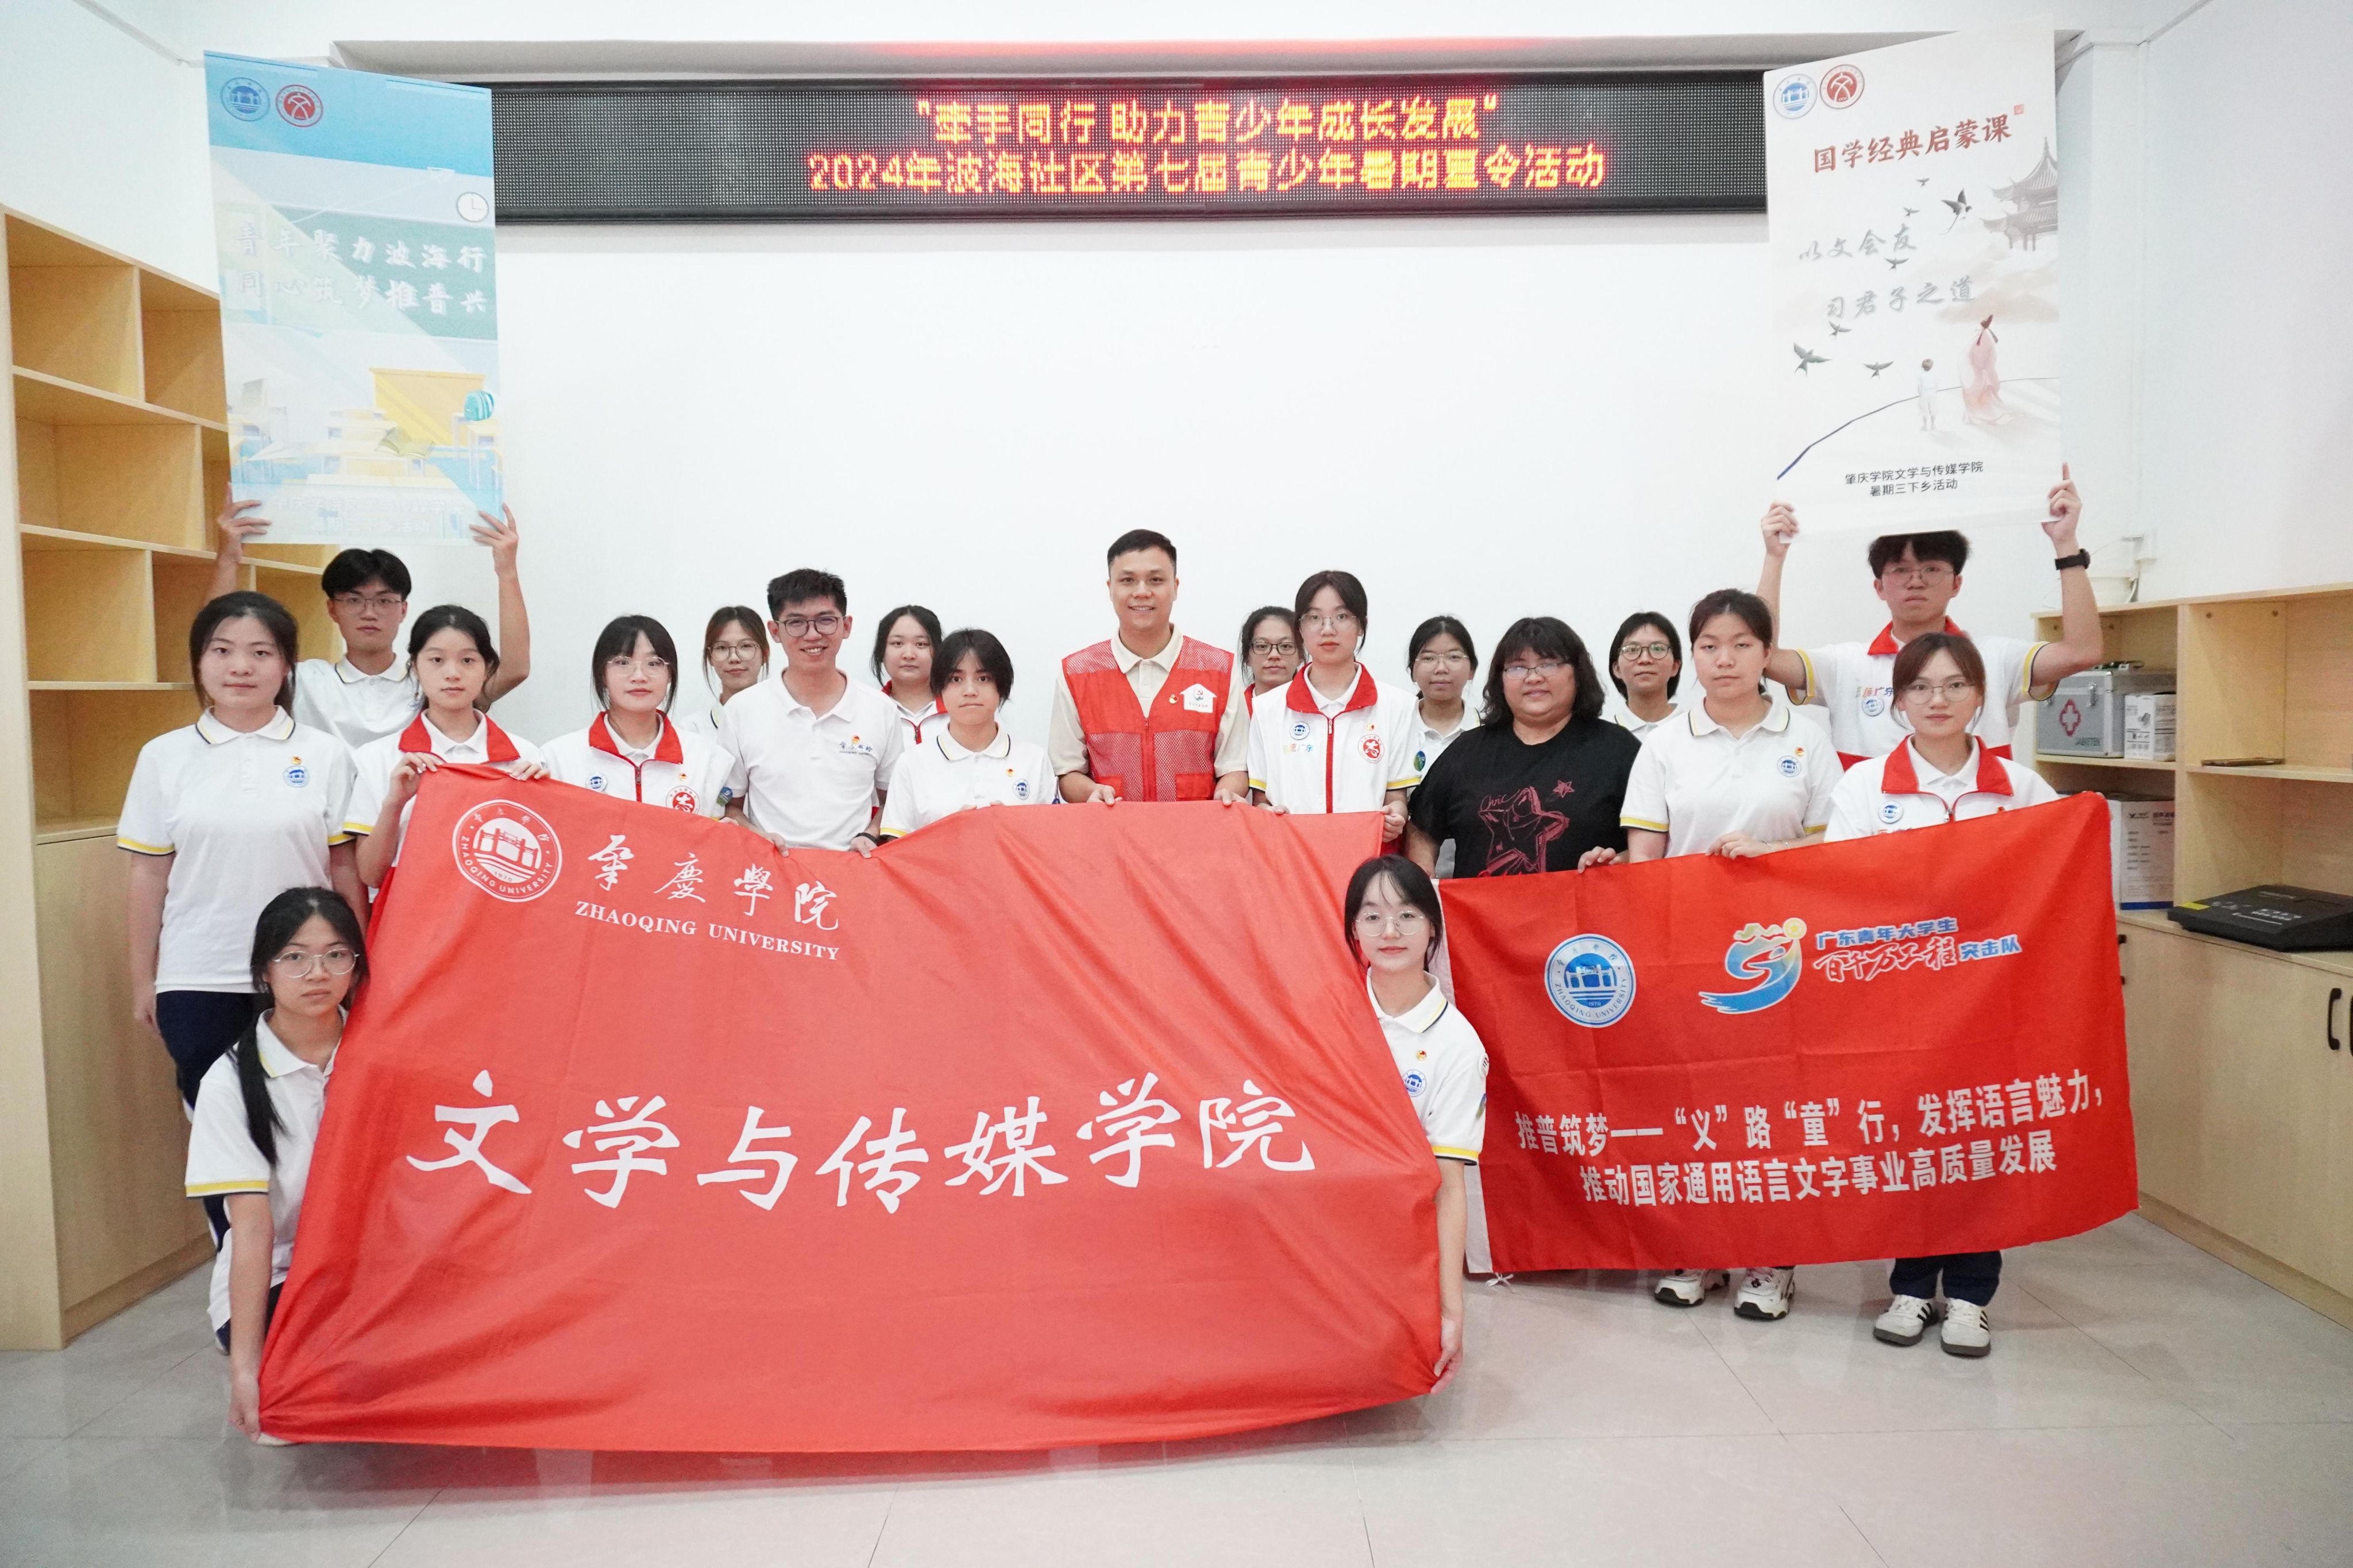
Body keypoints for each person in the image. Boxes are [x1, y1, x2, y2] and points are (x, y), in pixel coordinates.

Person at [1591, 589, 1841, 1323]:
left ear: (1766, 653)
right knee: (1694, 1105)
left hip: (1779, 960)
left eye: (1740, 644)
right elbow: (1645, 856)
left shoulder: (1806, 738)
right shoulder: (1665, 744)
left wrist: (1772, 854)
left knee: (1773, 1111)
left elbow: (1839, 851)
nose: (1724, 659)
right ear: (1690, 657)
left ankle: (1771, 1261)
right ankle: (1695, 1249)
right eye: (1709, 646)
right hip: (1689, 953)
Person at [1826, 632, 2061, 1356]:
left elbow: (2055, 877)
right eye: (1921, 687)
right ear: (1896, 701)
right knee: (1908, 1136)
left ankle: (1969, 1297)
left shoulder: (2021, 788)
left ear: (1980, 696)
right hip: (1899, 1001)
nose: (1938, 700)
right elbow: (1843, 887)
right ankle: (1908, 1286)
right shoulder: (1865, 787)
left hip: (1992, 999)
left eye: (1955, 685)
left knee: (1978, 1142)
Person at [121, 593, 363, 1117]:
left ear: (287, 665)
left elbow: (344, 869)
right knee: (218, 1127)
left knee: (311, 1126)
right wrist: (145, 980)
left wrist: (360, 968)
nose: (240, 667)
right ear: (199, 661)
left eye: (261, 652)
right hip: (199, 974)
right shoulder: (163, 756)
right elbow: (148, 876)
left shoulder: (325, 754)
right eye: (222, 650)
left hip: (306, 974)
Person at [1756, 466, 2104, 766]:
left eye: (1932, 569)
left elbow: (2082, 652)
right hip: (1873, 821)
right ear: (1879, 587)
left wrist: (2066, 543)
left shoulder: (1995, 658)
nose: (1916, 581)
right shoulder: (1844, 665)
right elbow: (1763, 657)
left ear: (1956, 584)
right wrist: (1775, 558)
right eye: (1901, 570)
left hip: (1975, 821)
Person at [182, 886, 366, 1441]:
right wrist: (246, 1370)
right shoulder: (229, 1083)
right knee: (302, 1401)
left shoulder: (378, 1054)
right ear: (265, 971)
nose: (318, 973)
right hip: (285, 1275)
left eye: (336, 955)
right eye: (295, 957)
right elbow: (254, 1231)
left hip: (371, 1270)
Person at [208, 496, 535, 748]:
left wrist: (507, 571)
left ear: (403, 610)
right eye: (354, 600)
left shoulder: (431, 679)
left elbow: (514, 670)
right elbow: (213, 651)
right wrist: (227, 560)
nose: (369, 613)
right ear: (332, 609)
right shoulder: (303, 681)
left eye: (384, 600)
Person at [1345, 853, 1487, 1392]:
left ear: (1432, 929)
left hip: (1396, 1233)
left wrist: (1452, 1312)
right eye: (1372, 916)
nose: (1390, 932)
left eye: (1407, 915)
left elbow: (1449, 1188)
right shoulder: (1329, 1010)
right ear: (1354, 930)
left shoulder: (1457, 1046)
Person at [1403, 617, 1638, 879]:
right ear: (1501, 679)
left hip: (1587, 906)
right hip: (1480, 907)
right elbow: (1421, 828)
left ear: (1577, 673)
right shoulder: (1467, 751)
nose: (1533, 678)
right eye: (1517, 668)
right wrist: (1424, 880)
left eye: (1548, 664)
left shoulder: (1619, 750)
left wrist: (1622, 861)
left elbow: (1660, 839)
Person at [348, 606, 545, 888]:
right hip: (412, 911)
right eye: (437, 660)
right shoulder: (377, 758)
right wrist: (395, 803)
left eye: (468, 660)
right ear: (415, 667)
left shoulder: (525, 756)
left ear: (487, 668)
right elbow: (371, 876)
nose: (453, 673)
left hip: (496, 912)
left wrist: (545, 798)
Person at [1049, 530, 1248, 805]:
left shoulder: (1219, 669)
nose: (1142, 592)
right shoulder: (1077, 673)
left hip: (1197, 830)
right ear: (1110, 588)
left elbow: (1235, 766)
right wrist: (1090, 793)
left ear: (1175, 587)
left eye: (1156, 580)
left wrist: (1226, 794)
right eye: (1128, 580)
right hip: (1113, 829)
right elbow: (1067, 771)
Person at [721, 569, 904, 856]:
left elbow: (895, 799)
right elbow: (729, 807)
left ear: (846, 626)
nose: (812, 635)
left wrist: (869, 834)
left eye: (825, 620)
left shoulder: (880, 710)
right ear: (775, 632)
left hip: (853, 870)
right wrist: (758, 836)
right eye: (796, 623)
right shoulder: (741, 710)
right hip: (773, 870)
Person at [1247, 571, 1420, 839]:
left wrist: (1396, 816)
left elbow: (1396, 797)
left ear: (1362, 625)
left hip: (1367, 854)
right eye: (1314, 618)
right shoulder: (1267, 708)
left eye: (1342, 616)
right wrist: (1266, 813)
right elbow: (1261, 798)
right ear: (1300, 628)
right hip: (1291, 852)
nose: (1328, 630)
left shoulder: (1398, 706)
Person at [541, 615, 734, 817]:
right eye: (622, 662)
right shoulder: (557, 760)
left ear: (670, 674)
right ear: (602, 674)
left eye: (654, 663)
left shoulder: (709, 760)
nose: (639, 676)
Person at [878, 628, 1056, 839]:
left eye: (983, 679)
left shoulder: (1034, 760)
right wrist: (949, 835)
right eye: (956, 679)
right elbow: (895, 847)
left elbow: (1052, 842)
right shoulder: (911, 764)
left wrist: (1013, 829)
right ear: (939, 688)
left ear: (1002, 686)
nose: (970, 691)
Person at [1403, 616, 1480, 878]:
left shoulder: (1491, 735)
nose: (1441, 668)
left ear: (1472, 669)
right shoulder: (1393, 731)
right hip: (1402, 873)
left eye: (1454, 657)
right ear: (1412, 670)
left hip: (1472, 874)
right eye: (1428, 658)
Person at [677, 606, 769, 743]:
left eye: (746, 646)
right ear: (710, 657)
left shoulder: (786, 722)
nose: (734, 658)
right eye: (722, 648)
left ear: (765, 654)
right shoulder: (692, 732)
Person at [873, 604, 950, 749]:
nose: (909, 655)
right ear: (881, 652)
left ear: (938, 651)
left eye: (921, 644)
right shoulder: (868, 712)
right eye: (897, 643)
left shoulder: (958, 709)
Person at [1602, 611, 1683, 741]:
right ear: (1617, 669)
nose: (1645, 659)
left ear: (1675, 666)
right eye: (1632, 649)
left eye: (1657, 648)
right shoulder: (1600, 736)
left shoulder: (1694, 730)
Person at [1239, 606, 1302, 712]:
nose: (1274, 655)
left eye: (1286, 646)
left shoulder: (1321, 713)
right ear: (1247, 656)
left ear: (1301, 656)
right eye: (1262, 646)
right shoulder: (1233, 713)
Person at [1915, 357, 1939, 431]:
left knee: (1925, 411)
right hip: (1933, 395)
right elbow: (1936, 385)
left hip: (1924, 395)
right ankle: (1933, 425)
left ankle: (1925, 426)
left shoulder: (1921, 375)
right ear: (1931, 367)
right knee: (1933, 410)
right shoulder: (1934, 375)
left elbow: (1919, 387)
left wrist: (1920, 395)